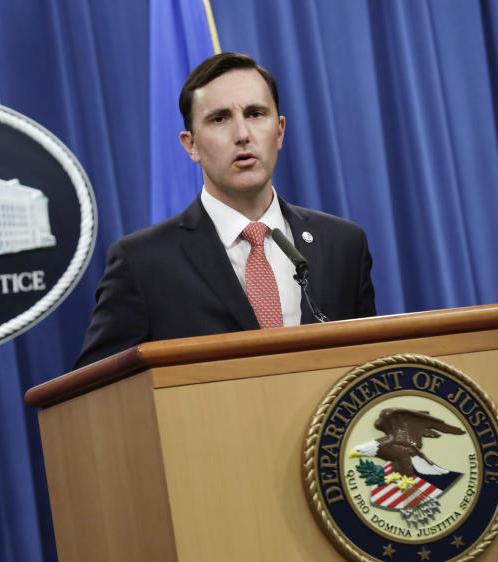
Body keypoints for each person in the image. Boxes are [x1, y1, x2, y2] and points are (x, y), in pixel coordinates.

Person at [75, 52, 376, 368]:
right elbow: (99, 393)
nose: (242, 134)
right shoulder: (142, 263)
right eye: (219, 119)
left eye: (256, 114)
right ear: (191, 145)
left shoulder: (343, 244)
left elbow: (369, 370)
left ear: (279, 131)